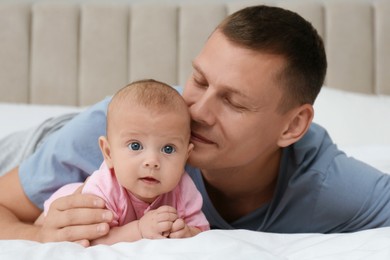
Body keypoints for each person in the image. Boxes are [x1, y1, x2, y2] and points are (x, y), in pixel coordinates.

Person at [1, 5, 390, 245]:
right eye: (199, 80)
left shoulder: (327, 185)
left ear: (292, 126)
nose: (197, 111)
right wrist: (37, 235)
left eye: (234, 101)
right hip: (30, 147)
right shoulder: (131, 132)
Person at [33, 79, 209, 245]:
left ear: (186, 157)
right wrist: (139, 230)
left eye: (168, 149)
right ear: (108, 153)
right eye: (135, 145)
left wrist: (187, 233)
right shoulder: (102, 190)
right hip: (60, 205)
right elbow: (92, 240)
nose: (152, 162)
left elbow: (203, 231)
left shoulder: (184, 188)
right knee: (37, 227)